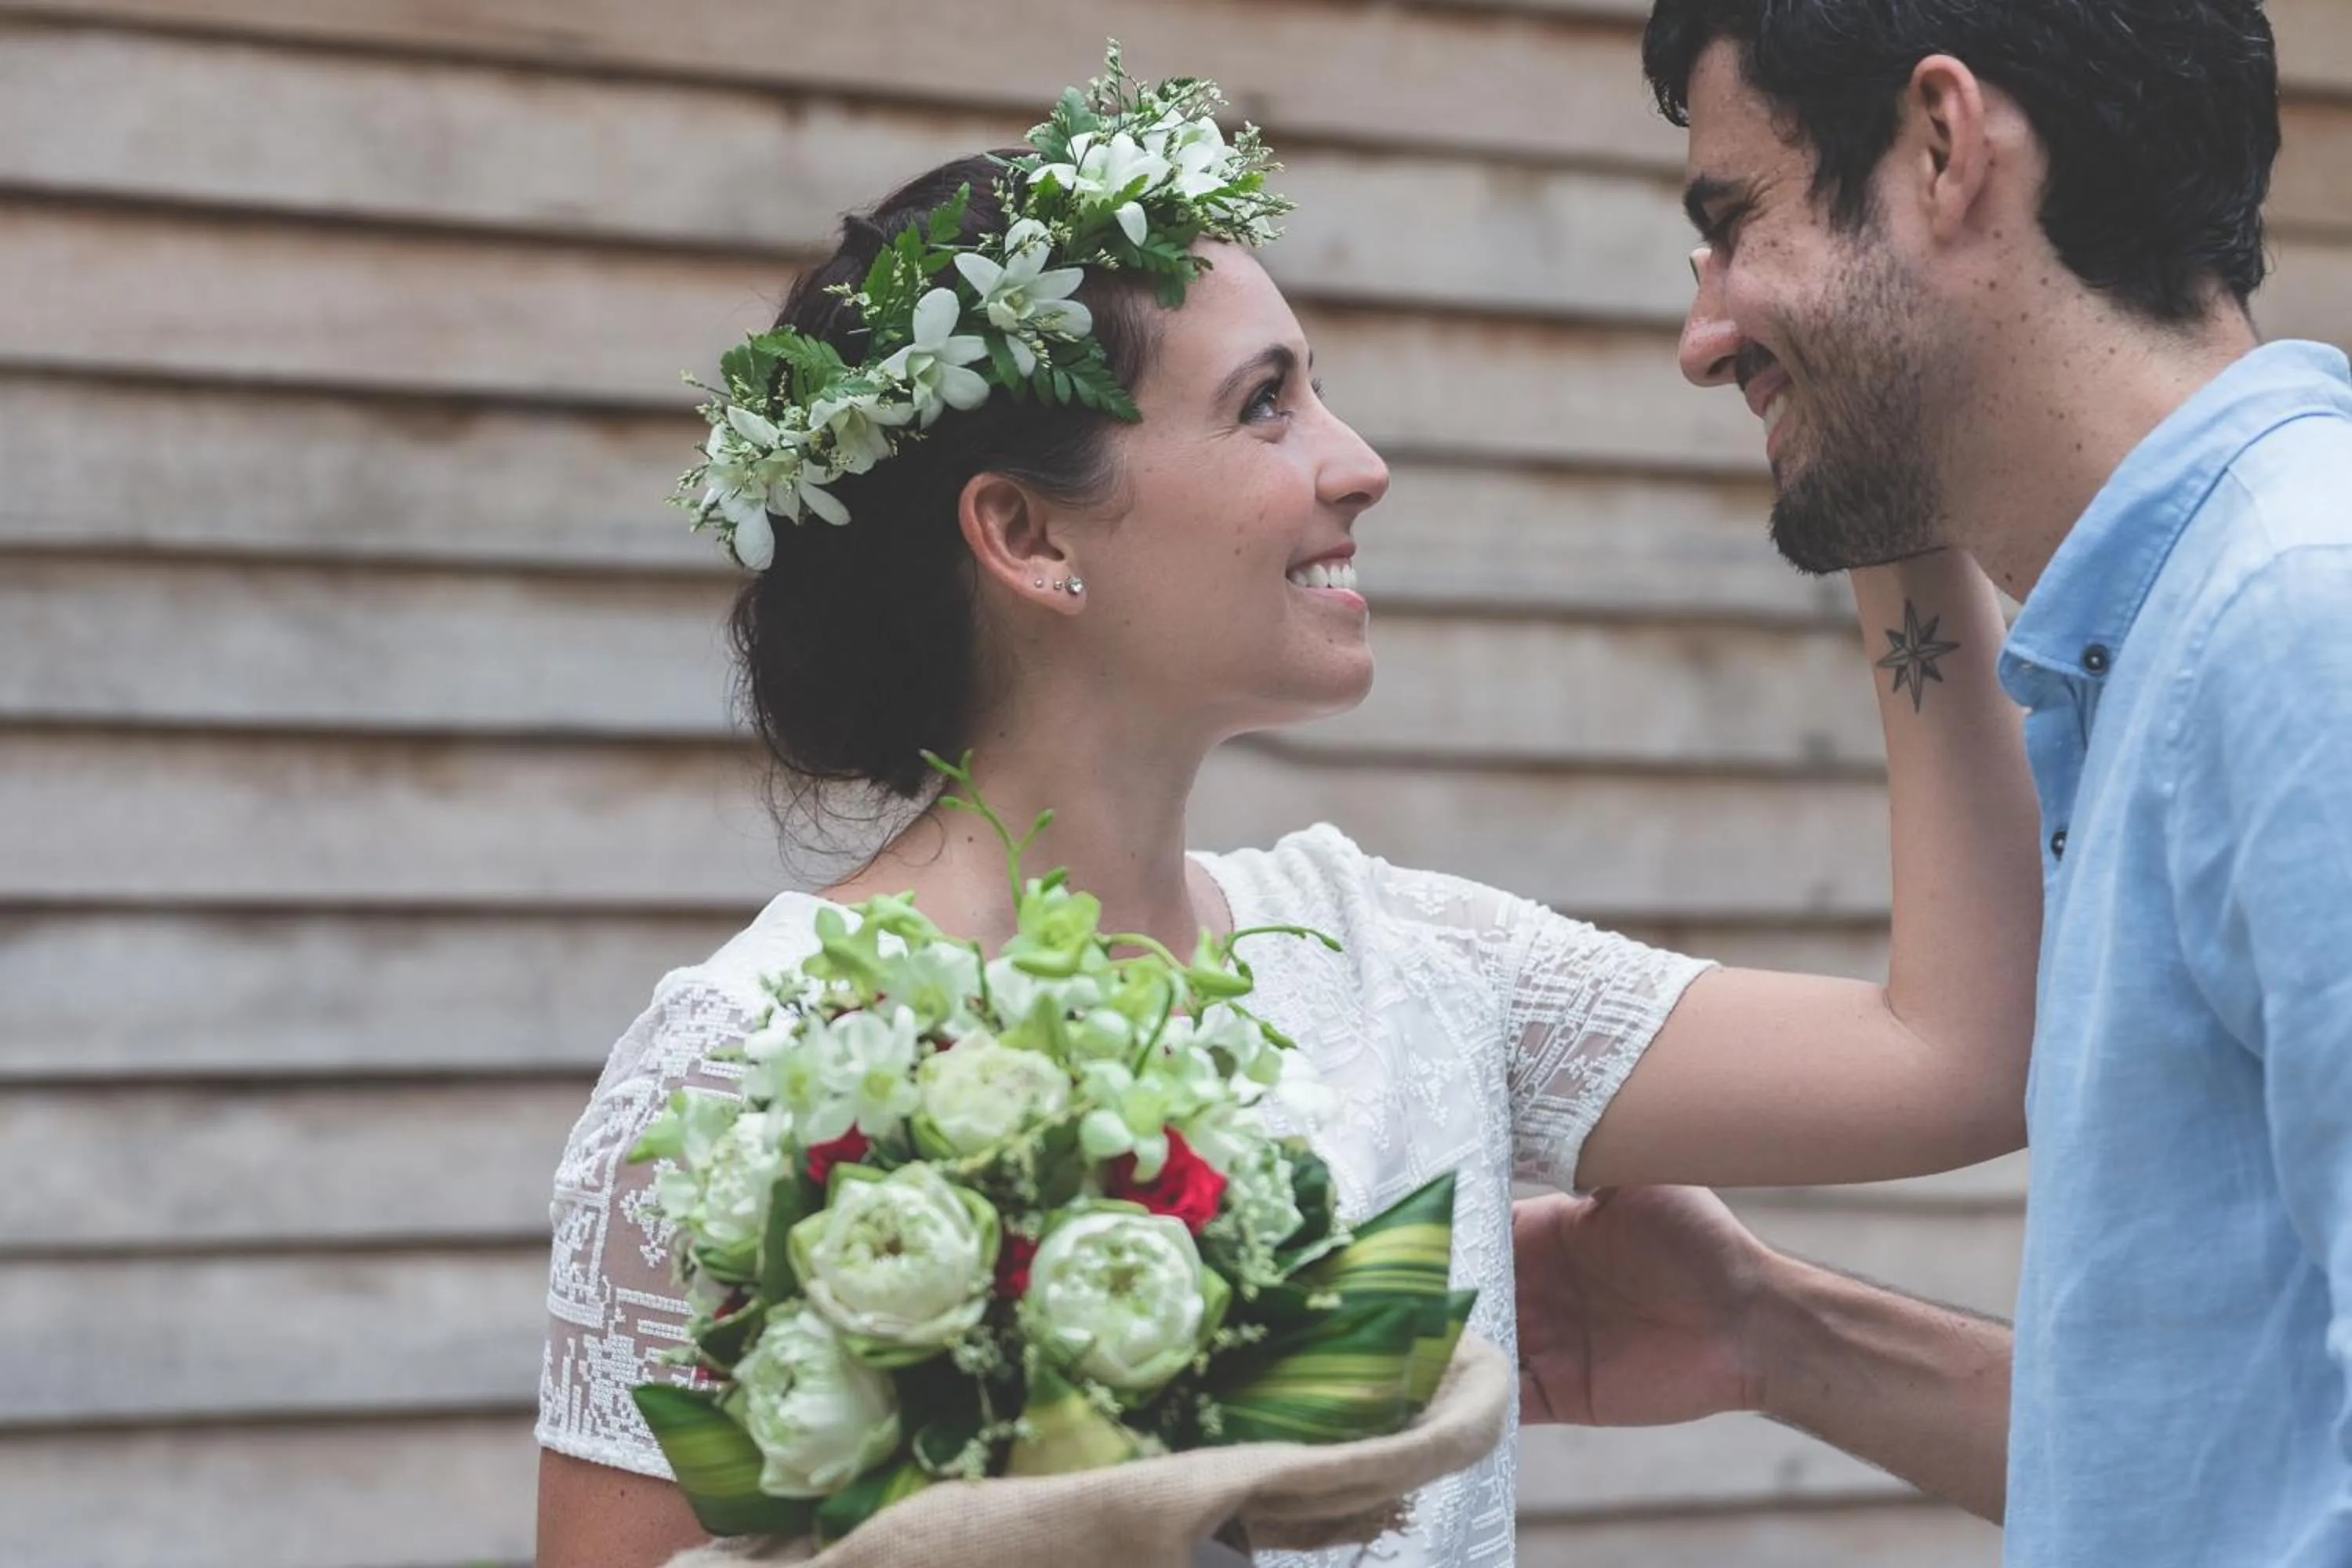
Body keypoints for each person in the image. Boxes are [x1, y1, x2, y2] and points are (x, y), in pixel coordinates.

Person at [533, 58, 2043, 1568]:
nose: (1361, 463)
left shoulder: (1405, 966)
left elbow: (1958, 1057)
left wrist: (1881, 492)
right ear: (1025, 532)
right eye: (1268, 406)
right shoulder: (744, 1063)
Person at [1516, 2, 2352, 1565]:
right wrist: (1773, 1330)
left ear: (1944, 145)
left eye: (1731, 221)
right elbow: (2220, 1466)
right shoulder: (2169, 640)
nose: (1702, 336)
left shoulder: (2296, 620)